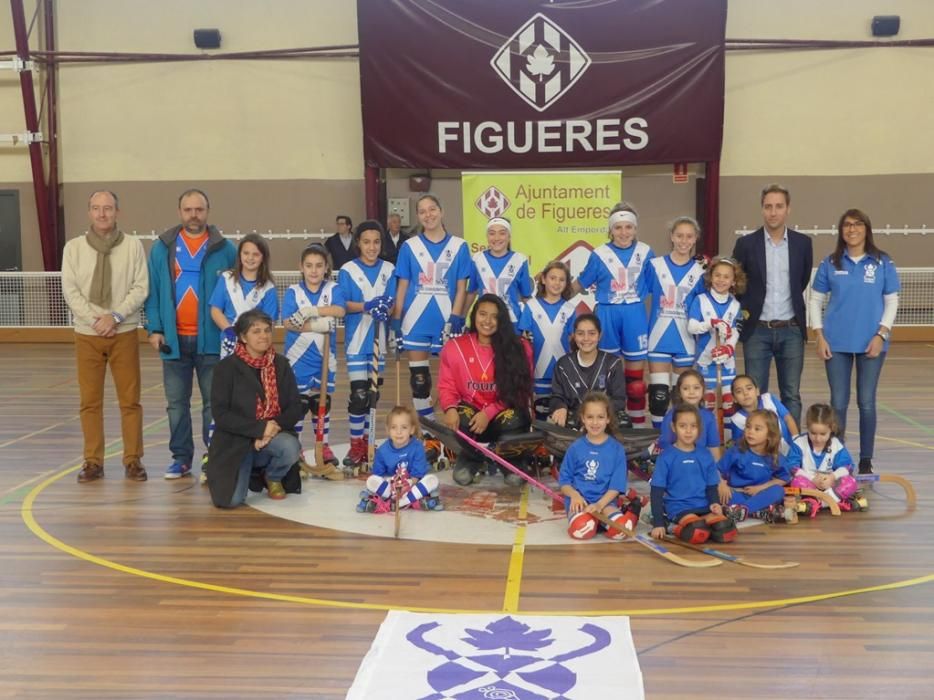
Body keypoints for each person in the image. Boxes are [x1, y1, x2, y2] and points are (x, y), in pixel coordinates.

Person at [145, 189, 237, 480]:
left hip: (211, 341)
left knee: (214, 403)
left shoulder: (226, 249)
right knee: (176, 405)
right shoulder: (162, 247)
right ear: (180, 211)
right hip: (173, 341)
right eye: (188, 209)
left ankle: (213, 456)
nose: (193, 214)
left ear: (207, 211)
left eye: (199, 209)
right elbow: (154, 292)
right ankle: (181, 458)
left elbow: (237, 293)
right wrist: (155, 328)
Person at [61, 190, 149, 483]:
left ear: (117, 212)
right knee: (90, 401)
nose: (102, 214)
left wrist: (116, 316)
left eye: (108, 208)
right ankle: (92, 461)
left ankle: (133, 460)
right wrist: (95, 321)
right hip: (87, 334)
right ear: (89, 212)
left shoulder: (133, 246)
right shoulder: (73, 249)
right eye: (96, 209)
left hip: (123, 331)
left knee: (130, 401)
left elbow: (140, 287)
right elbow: (70, 291)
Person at [809, 208, 900, 475]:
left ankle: (866, 459)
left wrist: (880, 334)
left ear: (866, 229)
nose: (852, 229)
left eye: (858, 224)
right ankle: (838, 456)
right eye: (846, 225)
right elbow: (815, 300)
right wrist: (819, 335)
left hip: (871, 343)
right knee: (838, 403)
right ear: (841, 230)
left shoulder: (883, 262)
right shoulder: (830, 262)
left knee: (867, 402)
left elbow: (891, 301)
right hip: (835, 344)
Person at [732, 184, 812, 425]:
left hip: (791, 329)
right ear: (762, 209)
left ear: (788, 209)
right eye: (768, 207)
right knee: (753, 396)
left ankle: (793, 452)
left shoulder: (802, 243)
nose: (773, 212)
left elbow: (802, 279)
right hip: (757, 329)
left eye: (779, 206)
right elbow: (737, 283)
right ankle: (759, 448)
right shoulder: (746, 244)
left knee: (791, 395)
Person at [206, 310, 303, 508]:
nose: (263, 336)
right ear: (243, 337)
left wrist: (271, 428)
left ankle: (272, 476)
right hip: (236, 441)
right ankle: (246, 470)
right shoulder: (226, 368)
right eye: (256, 331)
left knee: (290, 447)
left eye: (267, 330)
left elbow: (295, 407)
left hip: (271, 435)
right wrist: (258, 431)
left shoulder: (281, 365)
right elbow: (221, 414)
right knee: (231, 502)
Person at [391, 194, 471, 427]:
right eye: (423, 211)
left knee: (453, 381)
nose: (429, 214)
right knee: (419, 380)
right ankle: (427, 432)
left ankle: (453, 432)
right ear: (418, 216)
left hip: (446, 320)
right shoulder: (409, 247)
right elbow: (403, 285)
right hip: (415, 321)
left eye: (432, 209)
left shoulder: (459, 246)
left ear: (441, 211)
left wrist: (456, 317)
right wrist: (396, 320)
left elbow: (461, 287)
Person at [438, 294, 534, 487]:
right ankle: (472, 458)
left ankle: (509, 461)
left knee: (514, 418)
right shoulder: (455, 347)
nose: (487, 321)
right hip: (472, 416)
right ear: (474, 316)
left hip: (502, 414)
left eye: (494, 316)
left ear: (502, 320)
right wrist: (449, 408)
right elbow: (446, 385)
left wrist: (489, 412)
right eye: (482, 314)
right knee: (460, 415)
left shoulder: (519, 348)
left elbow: (521, 392)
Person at [572, 204, 652, 427]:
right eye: (618, 227)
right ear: (611, 230)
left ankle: (636, 429)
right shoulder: (599, 254)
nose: (624, 232)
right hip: (607, 314)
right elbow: (581, 283)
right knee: (605, 377)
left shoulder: (645, 252)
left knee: (635, 383)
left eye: (628, 227)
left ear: (635, 229)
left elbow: (662, 285)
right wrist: (552, 294)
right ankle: (608, 426)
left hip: (635, 314)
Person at [282, 244, 346, 478]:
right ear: (301, 267)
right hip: (297, 358)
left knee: (322, 404)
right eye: (309, 266)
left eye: (319, 266)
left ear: (326, 267)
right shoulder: (293, 292)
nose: (314, 270)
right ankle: (296, 450)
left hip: (324, 358)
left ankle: (322, 447)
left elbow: (340, 310)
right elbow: (288, 322)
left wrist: (312, 310)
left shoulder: (333, 288)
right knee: (298, 405)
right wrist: (315, 323)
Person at [338, 220, 397, 471]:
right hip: (356, 339)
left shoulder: (389, 269)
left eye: (376, 242)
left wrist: (388, 308)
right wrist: (367, 306)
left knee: (373, 394)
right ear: (358, 243)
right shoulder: (348, 269)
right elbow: (343, 304)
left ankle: (368, 441)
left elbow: (393, 302)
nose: (371, 247)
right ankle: (356, 444)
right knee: (359, 394)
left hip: (378, 341)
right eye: (366, 242)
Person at [643, 217, 707, 428]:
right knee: (659, 398)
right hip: (659, 338)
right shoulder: (654, 266)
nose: (683, 241)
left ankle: (677, 440)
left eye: (689, 236)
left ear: (695, 238)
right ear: (671, 236)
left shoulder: (701, 272)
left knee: (681, 399)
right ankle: (659, 442)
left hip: (686, 341)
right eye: (679, 235)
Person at [649, 403, 736, 544]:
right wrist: (658, 523)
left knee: (726, 530)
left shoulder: (705, 454)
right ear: (674, 427)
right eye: (683, 426)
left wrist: (714, 503)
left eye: (693, 426)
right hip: (679, 508)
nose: (688, 431)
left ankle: (705, 526)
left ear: (699, 429)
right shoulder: (666, 457)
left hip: (703, 506)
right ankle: (671, 526)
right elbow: (656, 492)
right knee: (697, 532)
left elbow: (711, 485)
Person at [558, 392, 639, 541]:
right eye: (590, 417)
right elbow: (564, 482)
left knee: (621, 531)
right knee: (582, 529)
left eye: (600, 417)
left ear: (608, 419)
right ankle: (593, 521)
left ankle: (613, 518)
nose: (595, 422)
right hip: (580, 503)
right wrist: (575, 496)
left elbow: (616, 487)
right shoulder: (575, 448)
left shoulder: (617, 449)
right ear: (583, 418)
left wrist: (599, 505)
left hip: (605, 502)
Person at [687, 256, 746, 427]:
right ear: (710, 277)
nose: (721, 280)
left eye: (726, 277)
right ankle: (709, 439)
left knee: (728, 403)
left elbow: (735, 330)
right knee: (708, 403)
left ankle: (727, 442)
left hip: (726, 361)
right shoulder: (701, 300)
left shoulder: (735, 305)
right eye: (717, 275)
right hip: (705, 359)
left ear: (734, 281)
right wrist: (710, 323)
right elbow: (691, 326)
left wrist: (729, 347)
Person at [517, 260, 576, 419]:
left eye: (561, 279)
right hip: (538, 371)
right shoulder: (531, 306)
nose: (557, 283)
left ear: (566, 283)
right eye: (552, 278)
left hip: (561, 373)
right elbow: (524, 339)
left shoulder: (569, 310)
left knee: (559, 414)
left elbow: (572, 342)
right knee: (540, 413)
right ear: (543, 279)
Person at [355, 405, 442, 513]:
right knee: (371, 481)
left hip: (412, 486)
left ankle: (398, 503)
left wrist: (408, 483)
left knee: (432, 480)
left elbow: (417, 476)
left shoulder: (418, 447)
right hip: (391, 489)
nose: (399, 432)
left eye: (404, 427)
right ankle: (409, 501)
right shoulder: (382, 451)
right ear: (388, 430)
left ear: (412, 429)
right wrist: (393, 484)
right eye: (394, 427)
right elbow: (378, 476)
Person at [549, 314, 628, 429]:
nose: (586, 338)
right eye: (580, 333)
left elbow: (619, 400)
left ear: (599, 335)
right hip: (574, 421)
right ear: (574, 336)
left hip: (603, 421)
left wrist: (595, 415)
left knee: (624, 422)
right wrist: (560, 407)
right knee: (560, 420)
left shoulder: (613, 363)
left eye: (592, 333)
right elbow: (557, 396)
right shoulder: (563, 364)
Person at [209, 233, 278, 360]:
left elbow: (270, 322)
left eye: (256, 254)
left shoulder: (268, 287)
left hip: (256, 348)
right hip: (229, 344)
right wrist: (228, 330)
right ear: (240, 255)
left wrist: (253, 338)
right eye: (246, 253)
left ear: (263, 257)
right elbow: (215, 310)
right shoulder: (226, 278)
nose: (250, 258)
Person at [716, 409, 792, 523]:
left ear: (770, 434)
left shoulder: (775, 457)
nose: (750, 432)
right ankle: (756, 511)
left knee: (778, 491)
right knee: (714, 493)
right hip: (736, 493)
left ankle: (742, 510)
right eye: (748, 427)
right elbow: (716, 470)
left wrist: (761, 488)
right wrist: (721, 484)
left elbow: (784, 478)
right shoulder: (736, 451)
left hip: (760, 494)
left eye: (757, 429)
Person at [789, 403, 861, 516]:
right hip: (810, 485)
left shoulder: (836, 445)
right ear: (807, 427)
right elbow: (792, 467)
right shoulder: (799, 443)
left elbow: (848, 466)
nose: (817, 438)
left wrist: (832, 477)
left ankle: (818, 503)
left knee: (851, 482)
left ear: (831, 429)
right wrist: (812, 479)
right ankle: (832, 501)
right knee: (796, 482)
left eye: (823, 434)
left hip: (830, 486)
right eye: (813, 433)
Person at [465, 216, 534, 326]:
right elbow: (472, 292)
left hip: (512, 323)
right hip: (484, 323)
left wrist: (534, 323)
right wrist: (461, 317)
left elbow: (526, 297)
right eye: (492, 233)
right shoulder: (477, 259)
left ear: (509, 236)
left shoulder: (520, 260)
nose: (497, 238)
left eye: (502, 233)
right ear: (487, 236)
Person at [656, 369, 722, 460]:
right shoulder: (671, 417)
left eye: (696, 388)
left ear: (703, 390)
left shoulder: (709, 417)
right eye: (686, 388)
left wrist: (717, 473)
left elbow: (714, 449)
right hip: (677, 466)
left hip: (701, 467)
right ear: (679, 391)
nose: (691, 392)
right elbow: (665, 448)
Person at [729, 374, 797, 453]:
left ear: (757, 391)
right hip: (764, 459)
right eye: (739, 391)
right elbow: (740, 446)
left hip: (791, 451)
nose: (745, 393)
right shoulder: (737, 420)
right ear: (734, 398)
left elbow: (788, 418)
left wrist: (797, 441)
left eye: (749, 388)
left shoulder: (769, 399)